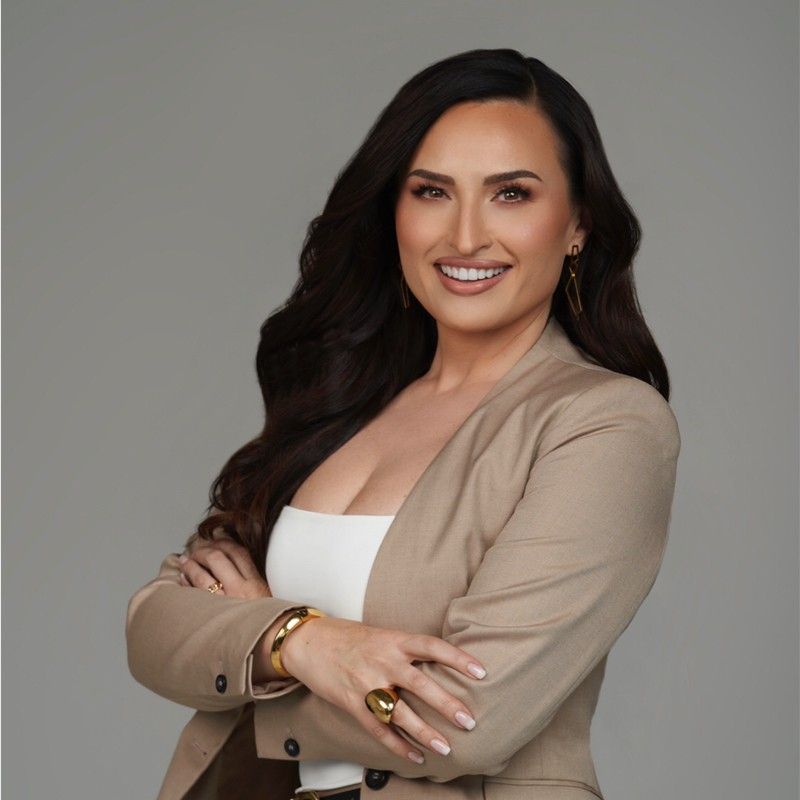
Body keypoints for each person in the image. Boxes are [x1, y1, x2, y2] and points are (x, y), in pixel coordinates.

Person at [126, 48, 681, 800]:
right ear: (395, 212)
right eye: (431, 192)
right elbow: (157, 623)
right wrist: (306, 640)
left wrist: (259, 641)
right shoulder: (343, 400)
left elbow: (462, 720)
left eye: (511, 194)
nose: (465, 236)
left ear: (578, 222)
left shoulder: (604, 425)